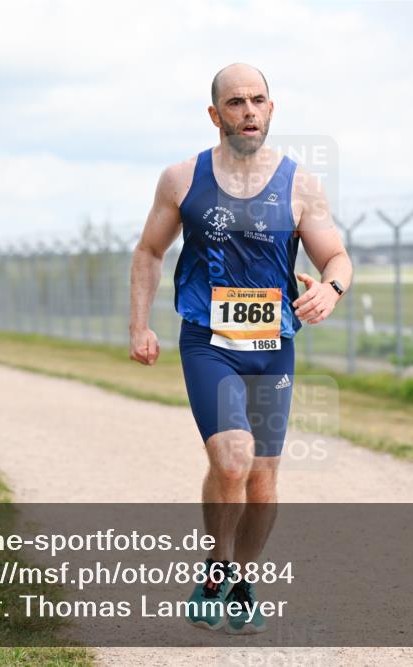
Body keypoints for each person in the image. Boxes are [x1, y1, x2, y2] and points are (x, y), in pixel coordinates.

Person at [128, 63, 352, 634]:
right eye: (235, 102)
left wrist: (330, 290)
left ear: (271, 109)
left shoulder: (302, 185)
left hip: (273, 346)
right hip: (209, 342)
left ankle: (243, 581)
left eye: (257, 100)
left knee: (263, 479)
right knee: (232, 457)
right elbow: (150, 251)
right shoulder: (182, 179)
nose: (248, 111)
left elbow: (336, 258)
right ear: (215, 114)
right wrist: (140, 326)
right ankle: (215, 569)